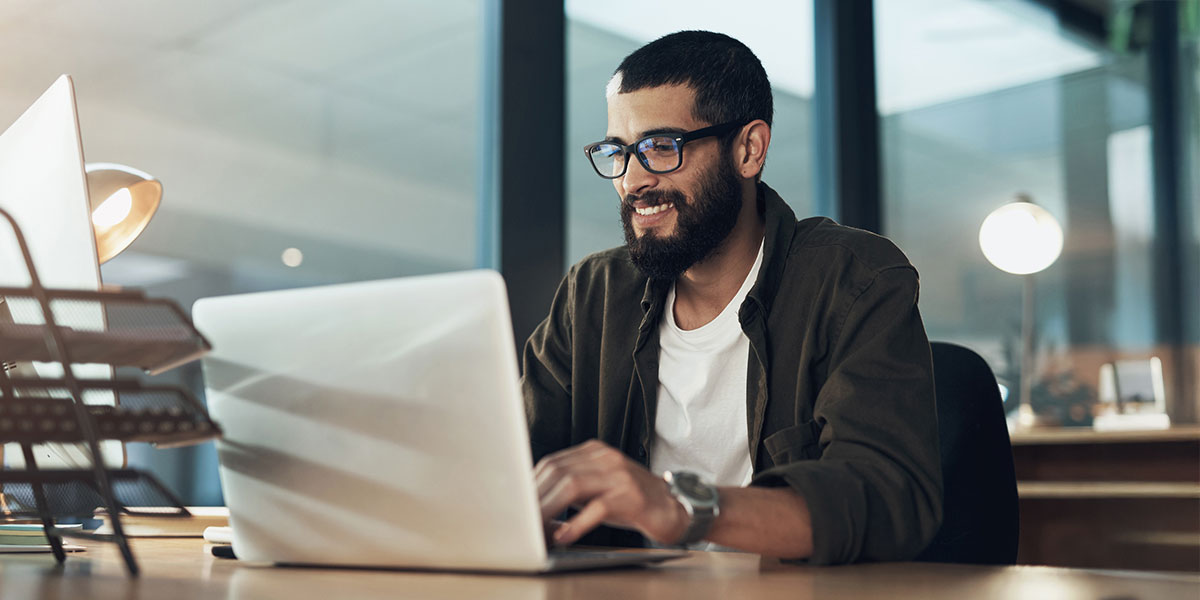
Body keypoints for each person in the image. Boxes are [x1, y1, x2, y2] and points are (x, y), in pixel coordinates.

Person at [522, 30, 942, 565]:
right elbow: (512, 461)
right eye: (618, 152)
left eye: (660, 147)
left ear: (749, 149)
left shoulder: (855, 279)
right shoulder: (593, 294)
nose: (632, 180)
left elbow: (887, 497)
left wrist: (683, 508)